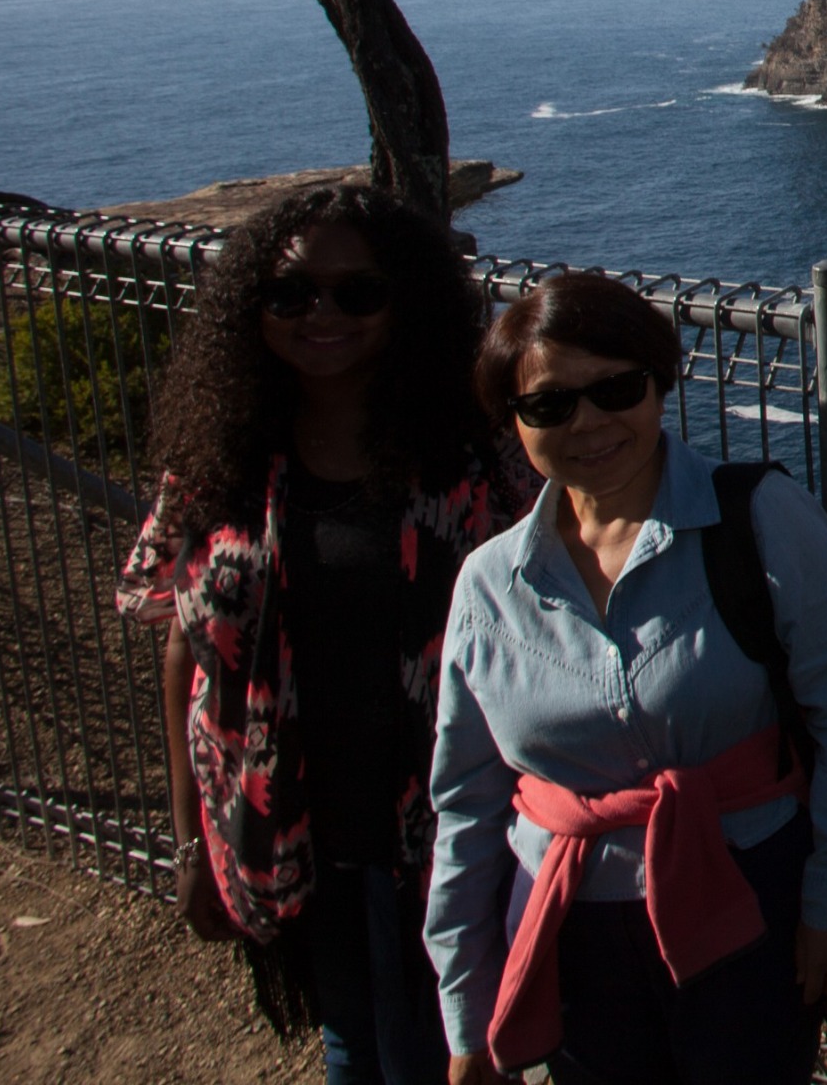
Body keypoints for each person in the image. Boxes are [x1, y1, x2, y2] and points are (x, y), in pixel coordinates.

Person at [423, 271, 827, 1085]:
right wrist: (467, 1016)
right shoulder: (489, 585)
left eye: (617, 389)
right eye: (550, 405)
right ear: (513, 422)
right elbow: (465, 807)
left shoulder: (760, 520)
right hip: (570, 926)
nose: (590, 422)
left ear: (659, 386)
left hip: (749, 905)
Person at [118, 184, 526, 1085]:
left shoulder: (471, 455)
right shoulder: (218, 466)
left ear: (404, 298)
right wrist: (191, 844)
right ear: (250, 309)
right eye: (290, 294)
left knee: (448, 1048)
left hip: (452, 828)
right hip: (287, 829)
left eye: (357, 292)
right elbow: (184, 651)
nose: (321, 315)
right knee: (350, 1039)